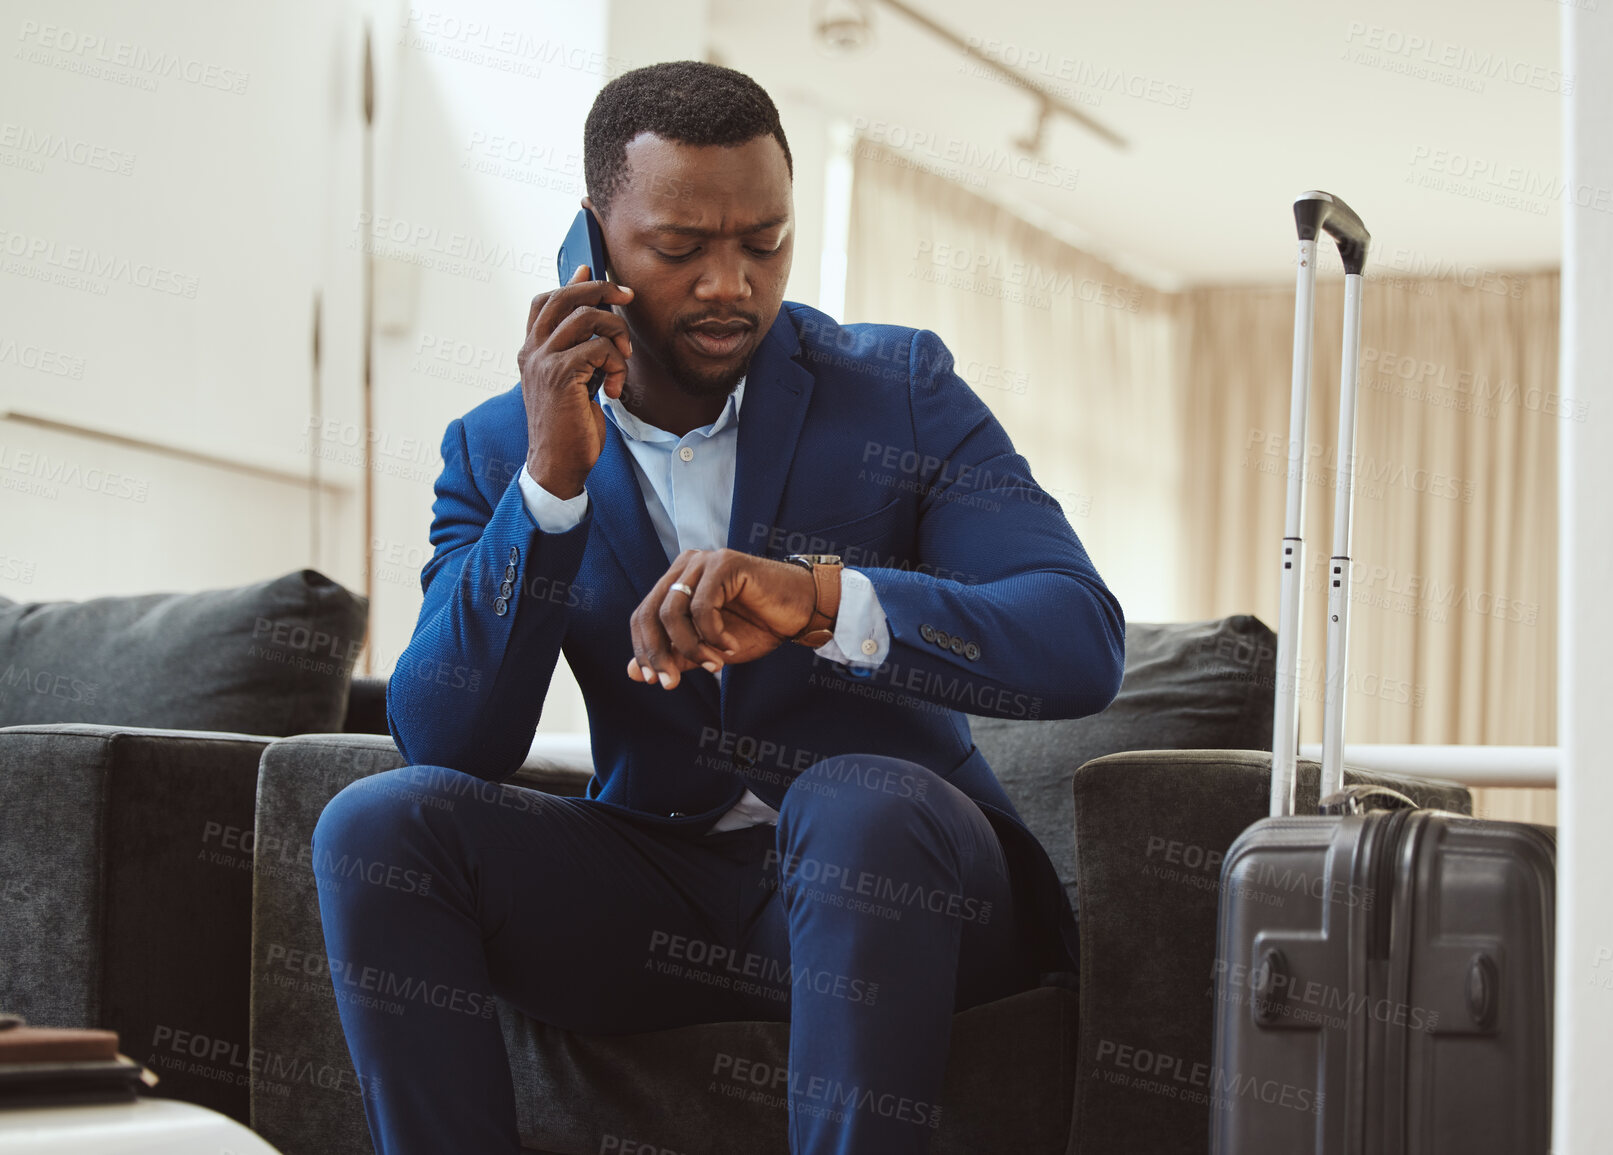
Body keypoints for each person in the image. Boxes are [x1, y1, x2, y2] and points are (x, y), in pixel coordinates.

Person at [312, 59, 1124, 1155]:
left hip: (904, 883)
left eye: (765, 242)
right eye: (682, 249)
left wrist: (822, 602)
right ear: (595, 243)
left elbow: (1079, 640)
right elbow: (451, 737)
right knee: (376, 823)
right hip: (663, 889)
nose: (732, 284)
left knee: (856, 802)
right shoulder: (501, 446)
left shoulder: (902, 391)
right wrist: (550, 489)